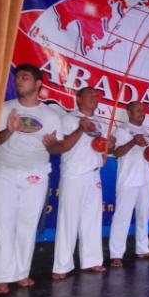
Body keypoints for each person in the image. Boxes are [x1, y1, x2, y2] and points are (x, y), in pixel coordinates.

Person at [0, 64, 64, 295]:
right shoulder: (4, 108)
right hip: (4, 171)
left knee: (27, 224)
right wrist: (9, 130)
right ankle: (2, 276)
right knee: (3, 223)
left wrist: (52, 145)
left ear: (38, 84)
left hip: (35, 174)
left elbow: (56, 150)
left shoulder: (51, 115)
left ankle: (22, 272)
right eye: (18, 78)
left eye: (25, 77)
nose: (19, 81)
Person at [52, 87, 116, 280]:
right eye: (91, 95)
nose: (95, 98)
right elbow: (63, 146)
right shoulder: (68, 119)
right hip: (73, 174)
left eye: (97, 96)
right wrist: (81, 127)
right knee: (68, 220)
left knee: (92, 220)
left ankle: (92, 261)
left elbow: (104, 151)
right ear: (79, 98)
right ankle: (62, 266)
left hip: (94, 174)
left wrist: (109, 145)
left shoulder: (101, 123)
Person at [109, 101, 149, 267]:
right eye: (138, 110)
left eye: (143, 110)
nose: (142, 113)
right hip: (128, 180)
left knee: (143, 216)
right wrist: (133, 142)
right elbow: (117, 153)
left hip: (147, 179)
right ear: (128, 111)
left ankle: (142, 249)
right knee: (122, 217)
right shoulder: (121, 130)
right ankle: (116, 254)